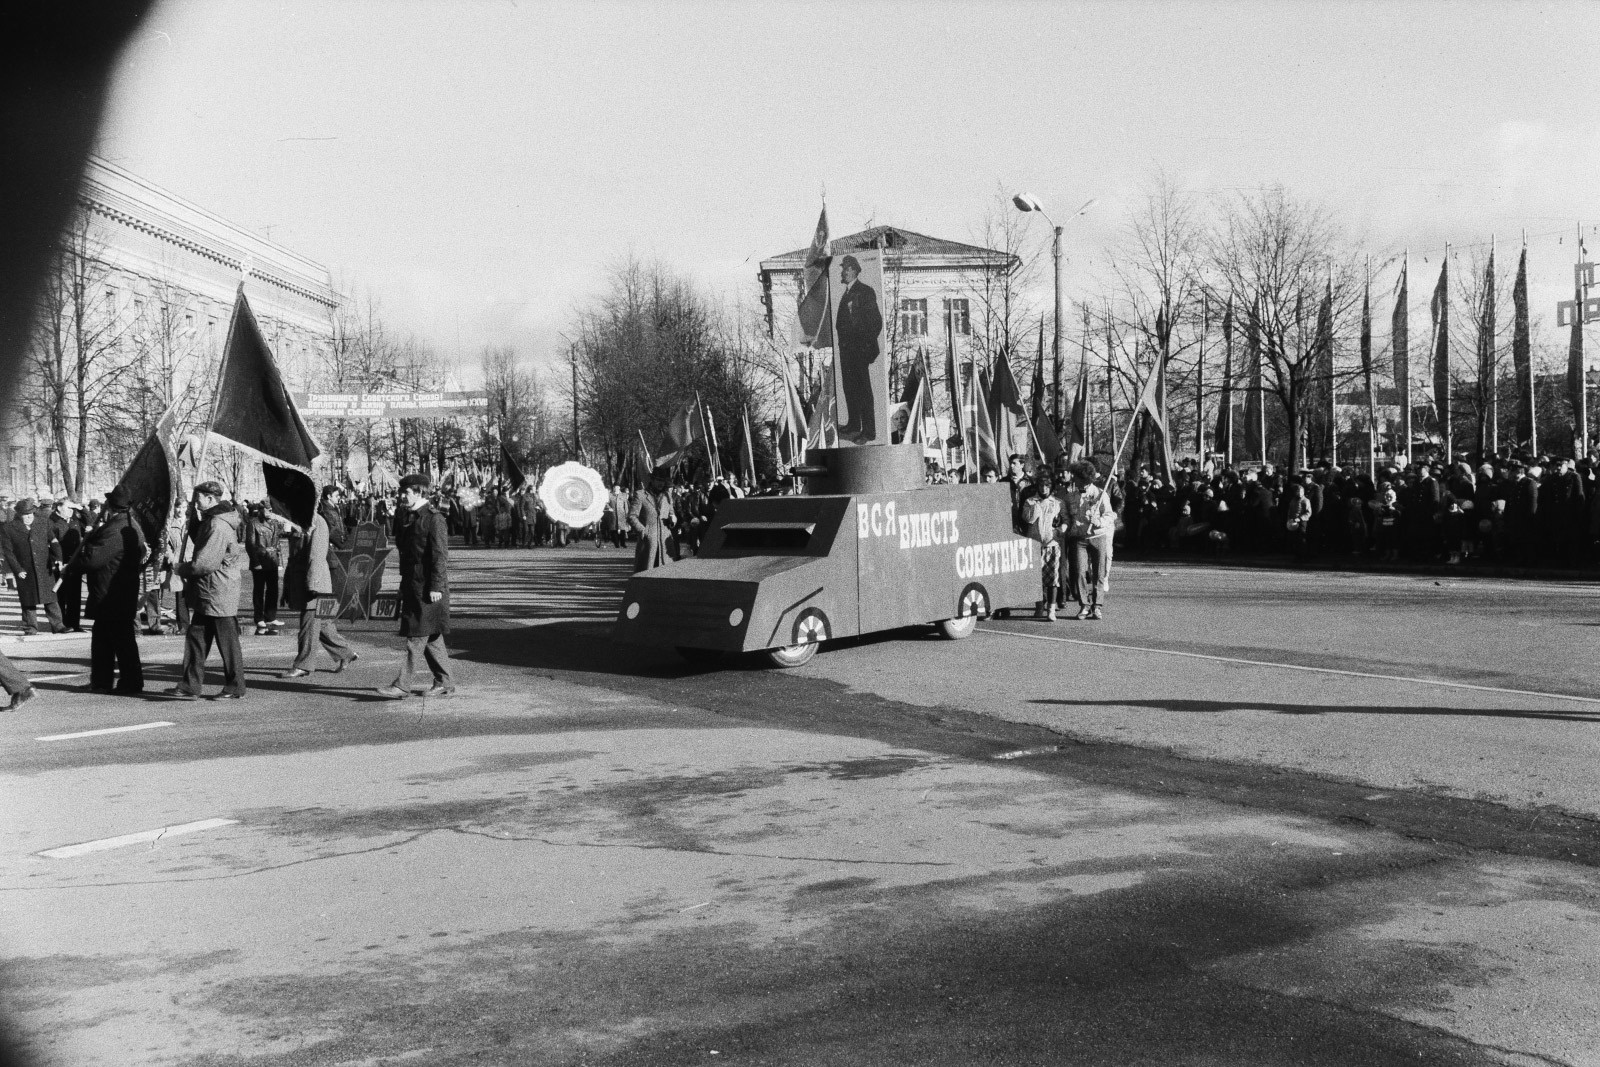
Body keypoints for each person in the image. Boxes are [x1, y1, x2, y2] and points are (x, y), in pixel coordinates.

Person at [377, 473, 454, 699]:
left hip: (429, 588)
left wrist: (437, 586)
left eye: (406, 492)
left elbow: (440, 556)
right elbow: (406, 557)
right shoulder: (407, 517)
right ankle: (445, 682)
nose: (401, 496)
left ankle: (402, 685)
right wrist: (402, 586)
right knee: (431, 637)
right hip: (413, 585)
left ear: (419, 492)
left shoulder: (434, 519)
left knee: (416, 637)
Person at [169, 482, 247, 700]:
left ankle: (235, 686)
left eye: (198, 499)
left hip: (218, 592)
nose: (196, 502)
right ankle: (189, 686)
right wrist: (193, 518)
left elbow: (205, 563)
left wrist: (181, 568)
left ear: (211, 499)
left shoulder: (218, 525)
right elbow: (201, 540)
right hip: (210, 591)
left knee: (227, 643)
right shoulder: (212, 521)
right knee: (196, 640)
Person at [71, 485, 146, 694]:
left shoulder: (117, 529)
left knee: (122, 640)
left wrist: (75, 564)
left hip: (113, 592)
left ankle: (131, 682)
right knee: (103, 638)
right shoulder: (125, 524)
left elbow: (94, 560)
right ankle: (101, 681)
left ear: (111, 506)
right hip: (116, 591)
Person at [281, 493, 357, 679]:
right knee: (322, 623)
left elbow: (317, 555)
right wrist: (287, 585)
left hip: (314, 583)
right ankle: (346, 653)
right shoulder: (301, 522)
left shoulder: (318, 522)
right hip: (302, 582)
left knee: (308, 624)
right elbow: (293, 557)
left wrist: (313, 583)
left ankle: (303, 665)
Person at [833, 254, 883, 443]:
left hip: (859, 351)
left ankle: (869, 432)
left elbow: (875, 322)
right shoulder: (846, 293)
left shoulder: (865, 291)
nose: (843, 272)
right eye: (843, 268)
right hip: (847, 351)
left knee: (863, 390)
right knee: (849, 388)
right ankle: (854, 424)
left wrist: (864, 345)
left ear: (854, 270)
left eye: (846, 268)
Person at [1060, 460, 1117, 620]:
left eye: (1077, 477)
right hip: (1079, 539)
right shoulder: (1069, 497)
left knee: (1099, 573)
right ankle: (1084, 605)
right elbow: (1064, 515)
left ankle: (1097, 606)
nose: (1074, 479)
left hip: (1098, 537)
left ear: (1086, 478)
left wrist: (1099, 521)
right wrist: (1068, 524)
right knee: (1079, 572)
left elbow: (1110, 515)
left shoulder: (1100, 494)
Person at [1, 498, 64, 634]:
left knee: (51, 598)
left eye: (31, 514)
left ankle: (58, 625)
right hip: (25, 569)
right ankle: (31, 627)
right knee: (28, 599)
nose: (30, 517)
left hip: (44, 567)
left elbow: (53, 541)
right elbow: (8, 552)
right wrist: (17, 569)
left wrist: (58, 557)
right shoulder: (8, 528)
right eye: (26, 515)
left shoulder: (42, 522)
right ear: (19, 514)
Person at [1022, 468, 1061, 620]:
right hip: (1035, 545)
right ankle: (1039, 606)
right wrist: (1036, 508)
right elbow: (1028, 519)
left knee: (1053, 579)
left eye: (1047, 485)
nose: (1044, 488)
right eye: (1041, 485)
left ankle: (1051, 609)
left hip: (1052, 545)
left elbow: (1064, 522)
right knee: (1037, 579)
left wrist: (1059, 530)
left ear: (1051, 487)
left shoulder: (1057, 503)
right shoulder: (1029, 501)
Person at [244, 502, 283, 635]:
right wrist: (256, 562)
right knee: (259, 590)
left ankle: (271, 617)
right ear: (261, 510)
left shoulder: (274, 523)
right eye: (268, 509)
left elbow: (277, 544)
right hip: (260, 559)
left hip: (272, 560)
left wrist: (280, 562)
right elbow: (250, 544)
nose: (270, 512)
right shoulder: (253, 523)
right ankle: (259, 617)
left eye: (272, 509)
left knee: (273, 589)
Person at [627, 470, 676, 572]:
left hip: (665, 541)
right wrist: (642, 530)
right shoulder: (640, 495)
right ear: (652, 480)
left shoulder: (667, 496)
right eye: (658, 480)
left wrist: (673, 519)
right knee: (646, 572)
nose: (661, 483)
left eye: (663, 481)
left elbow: (671, 513)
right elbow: (631, 516)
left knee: (666, 574)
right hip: (648, 542)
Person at [51, 497, 86, 631]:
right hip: (60, 562)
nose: (71, 511)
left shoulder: (74, 521)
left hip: (74, 562)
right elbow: (49, 544)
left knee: (74, 594)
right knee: (60, 595)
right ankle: (60, 624)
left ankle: (74, 623)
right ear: (59, 508)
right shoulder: (52, 522)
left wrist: (81, 508)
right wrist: (55, 561)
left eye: (73, 509)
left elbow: (90, 521)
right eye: (68, 508)